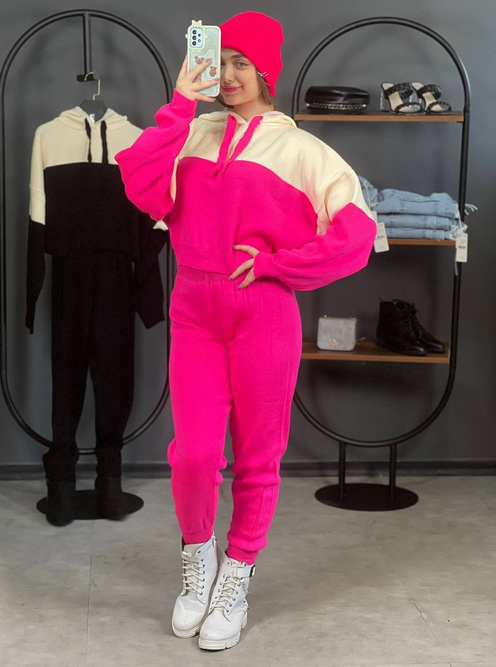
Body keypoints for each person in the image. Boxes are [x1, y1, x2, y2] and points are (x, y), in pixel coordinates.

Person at [115, 10, 376, 652]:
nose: (229, 75)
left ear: (266, 72)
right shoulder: (191, 133)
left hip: (262, 310)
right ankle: (198, 557)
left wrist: (280, 264)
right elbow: (140, 184)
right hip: (193, 308)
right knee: (194, 453)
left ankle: (237, 575)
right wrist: (182, 100)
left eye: (241, 63)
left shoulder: (301, 150)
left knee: (258, 456)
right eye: (221, 60)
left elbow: (357, 235)